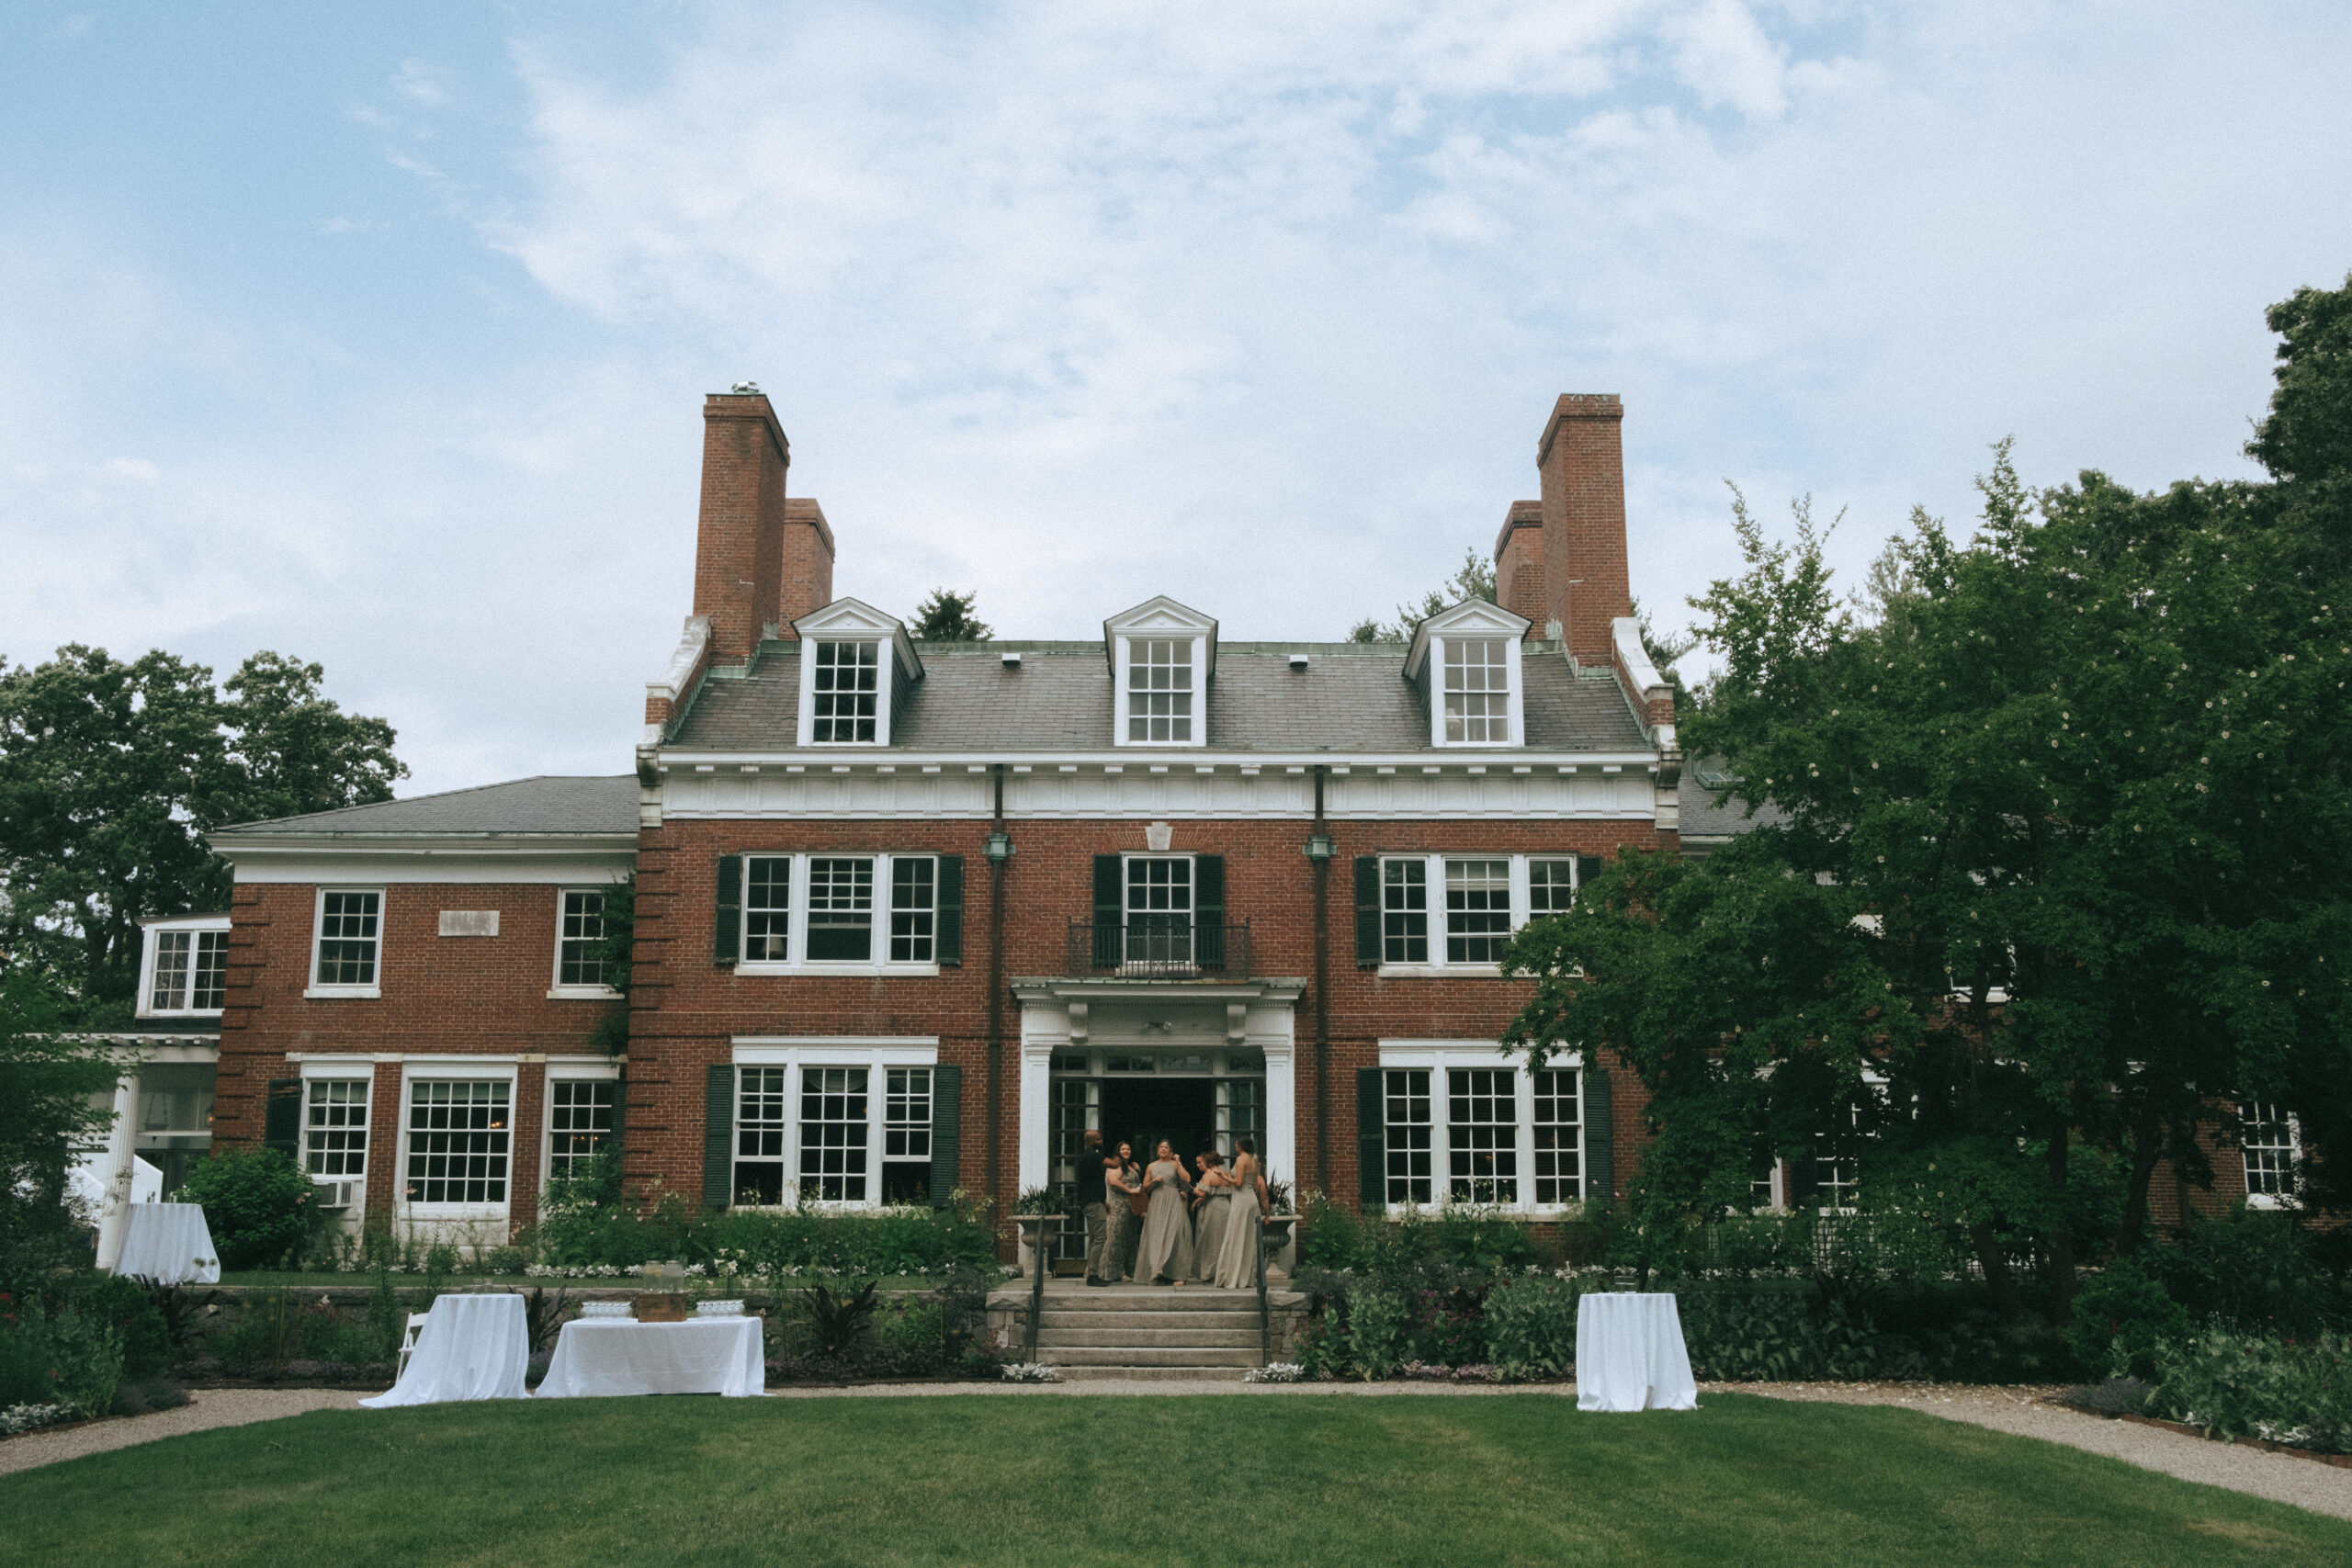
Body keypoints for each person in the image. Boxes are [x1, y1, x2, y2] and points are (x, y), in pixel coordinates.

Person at [1136, 1140, 1195, 1285]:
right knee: (1157, 1236)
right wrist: (1154, 1181)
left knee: (1174, 1235)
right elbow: (1145, 1187)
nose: (1163, 1149)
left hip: (1172, 1200)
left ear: (1170, 1150)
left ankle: (1176, 1274)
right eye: (1161, 1147)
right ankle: (1157, 1272)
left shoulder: (1175, 1164)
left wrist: (1179, 1162)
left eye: (1166, 1147)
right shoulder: (1151, 1166)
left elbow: (1187, 1179)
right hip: (1157, 1201)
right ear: (1157, 1151)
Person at [1211, 1136, 1267, 1289]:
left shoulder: (1241, 1159)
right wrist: (1231, 1177)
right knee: (1248, 1238)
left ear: (1240, 1146)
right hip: (1251, 1200)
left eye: (1236, 1144)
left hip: (1241, 1200)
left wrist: (1223, 1176)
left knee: (1236, 1235)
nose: (1235, 1146)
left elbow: (1239, 1183)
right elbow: (1255, 1185)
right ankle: (1246, 1277)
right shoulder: (1254, 1161)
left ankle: (1233, 1277)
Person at [1190, 1148, 1235, 1283]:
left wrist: (1192, 1189)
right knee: (1223, 1238)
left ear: (1209, 1162)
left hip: (1214, 1206)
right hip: (1226, 1206)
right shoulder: (1225, 1173)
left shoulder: (1209, 1174)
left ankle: (1210, 1272)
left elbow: (1203, 1194)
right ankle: (1224, 1270)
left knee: (1211, 1240)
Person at [1079, 1128, 1112, 1287]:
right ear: (1091, 1142)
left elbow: (1093, 1182)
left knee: (1094, 1239)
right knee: (1100, 1238)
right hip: (1092, 1203)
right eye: (1098, 1139)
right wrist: (1120, 1152)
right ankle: (1092, 1275)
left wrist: (1103, 1200)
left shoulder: (1087, 1156)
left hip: (1092, 1201)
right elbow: (1113, 1164)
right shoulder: (1092, 1156)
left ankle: (1092, 1273)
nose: (1101, 1142)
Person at [1112, 1142, 1146, 1281]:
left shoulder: (1131, 1166)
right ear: (1118, 1151)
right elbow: (1114, 1181)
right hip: (1120, 1205)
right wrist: (1130, 1190)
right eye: (1123, 1149)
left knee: (1131, 1240)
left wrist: (1138, 1171)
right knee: (1118, 1239)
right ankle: (1118, 1272)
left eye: (1128, 1148)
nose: (1126, 1151)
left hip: (1132, 1207)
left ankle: (1131, 1270)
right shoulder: (1116, 1164)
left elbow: (1138, 1186)